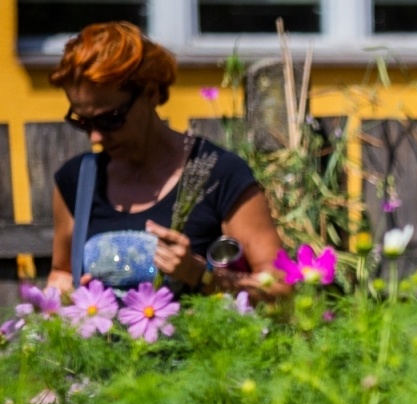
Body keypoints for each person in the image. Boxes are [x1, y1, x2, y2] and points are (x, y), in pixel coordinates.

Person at [47, 21, 284, 298]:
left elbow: (281, 288)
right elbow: (61, 273)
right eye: (82, 121)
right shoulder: (77, 182)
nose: (95, 137)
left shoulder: (218, 175)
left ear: (150, 93)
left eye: (110, 119)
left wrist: (201, 275)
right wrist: (66, 298)